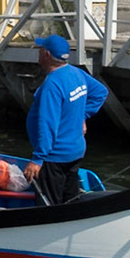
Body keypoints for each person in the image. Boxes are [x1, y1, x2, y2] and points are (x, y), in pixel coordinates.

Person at [23, 35, 109, 204]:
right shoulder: (76, 73)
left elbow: (47, 125)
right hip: (75, 152)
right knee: (69, 200)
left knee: (50, 205)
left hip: (54, 157)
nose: (38, 53)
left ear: (46, 54)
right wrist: (83, 115)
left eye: (40, 49)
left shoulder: (52, 85)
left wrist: (38, 159)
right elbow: (100, 92)